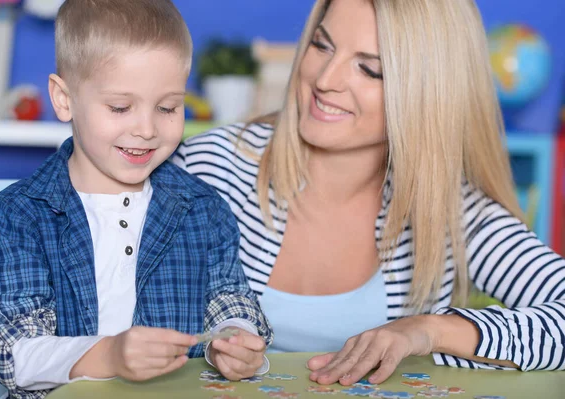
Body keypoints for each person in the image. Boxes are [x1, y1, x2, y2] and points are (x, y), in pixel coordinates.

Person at [172, 0, 565, 387]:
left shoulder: (452, 212)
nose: (326, 79)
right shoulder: (210, 168)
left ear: (428, 94)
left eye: (369, 69)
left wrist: (428, 330)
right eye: (321, 45)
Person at [0, 1, 272, 398]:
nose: (147, 128)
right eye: (120, 107)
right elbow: (11, 352)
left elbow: (229, 298)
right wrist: (109, 355)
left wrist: (235, 338)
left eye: (168, 107)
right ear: (64, 99)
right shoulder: (19, 215)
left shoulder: (202, 208)